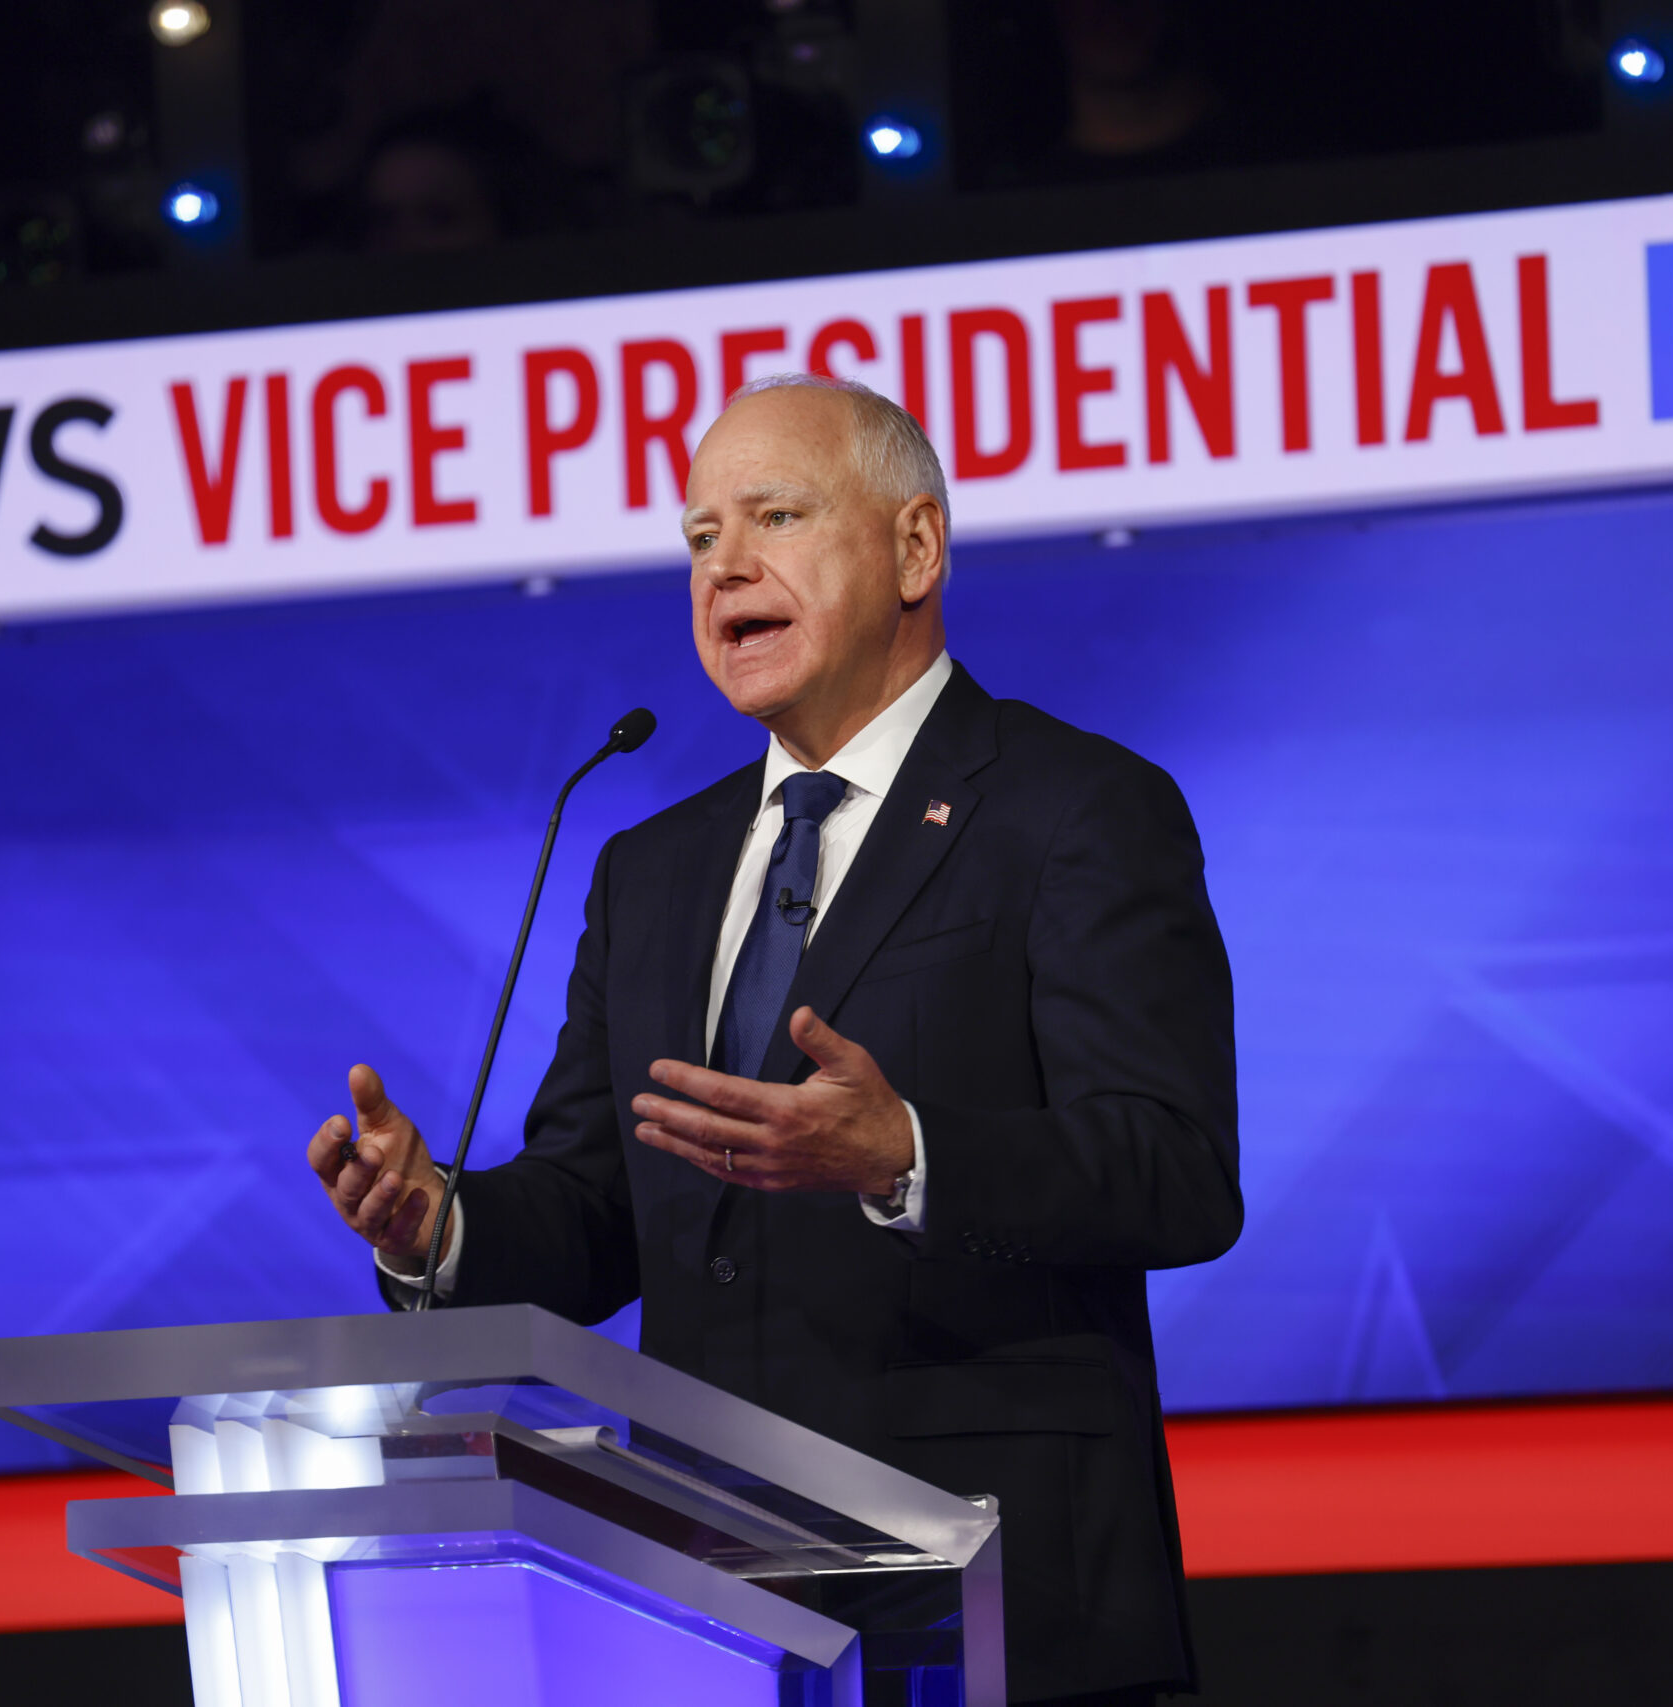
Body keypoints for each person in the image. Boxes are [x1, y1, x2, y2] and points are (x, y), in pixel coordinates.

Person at [307, 373, 1241, 1704]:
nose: (724, 567)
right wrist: (437, 1229)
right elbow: (594, 1207)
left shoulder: (1075, 810)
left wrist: (902, 1154)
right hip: (713, 1606)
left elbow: (1175, 1171)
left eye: (776, 517)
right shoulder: (651, 868)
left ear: (915, 547)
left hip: (1003, 1607)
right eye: (697, 538)